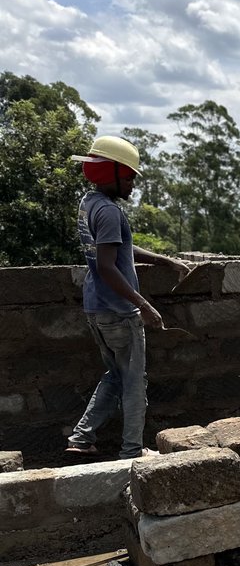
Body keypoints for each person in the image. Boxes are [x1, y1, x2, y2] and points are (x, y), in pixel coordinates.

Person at [64, 135, 191, 459]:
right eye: (130, 176)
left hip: (97, 308)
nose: (133, 184)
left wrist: (165, 260)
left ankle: (81, 438)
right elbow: (108, 267)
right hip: (119, 311)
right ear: (112, 173)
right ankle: (133, 450)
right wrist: (144, 305)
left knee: (117, 375)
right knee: (134, 382)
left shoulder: (90, 203)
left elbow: (119, 248)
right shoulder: (108, 212)